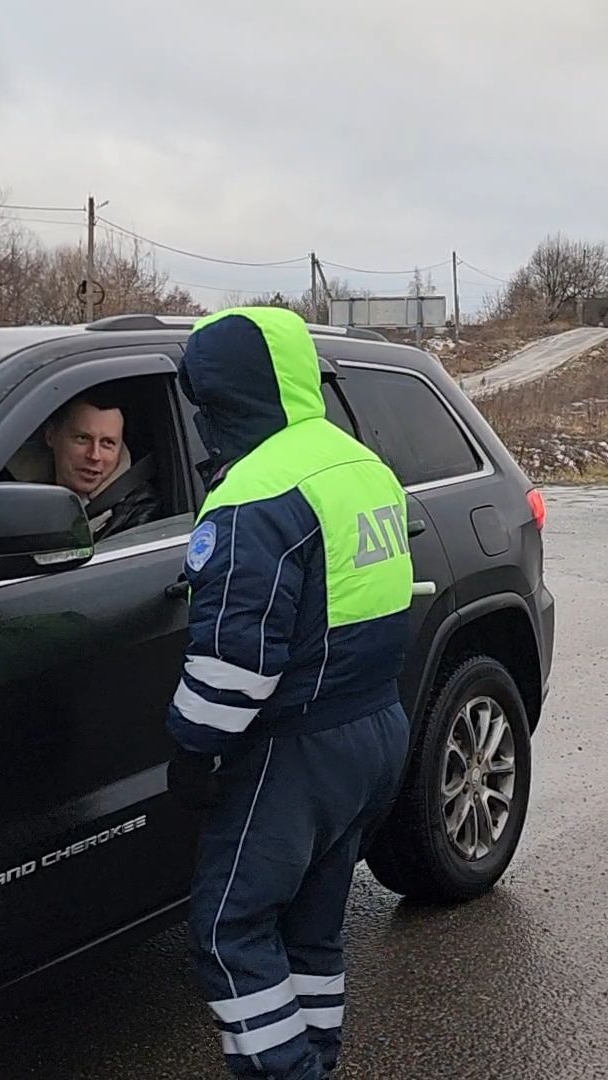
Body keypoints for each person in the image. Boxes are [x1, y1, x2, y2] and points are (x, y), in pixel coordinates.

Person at [165, 307, 414, 1080]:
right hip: (375, 730)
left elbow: (234, 671)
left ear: (223, 395)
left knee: (226, 934)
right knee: (310, 932)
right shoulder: (356, 462)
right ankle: (316, 1059)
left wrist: (189, 743)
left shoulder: (258, 491)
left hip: (293, 750)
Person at [7, 391, 160, 541]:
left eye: (107, 443)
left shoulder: (137, 510)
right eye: (82, 439)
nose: (94, 456)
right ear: (50, 436)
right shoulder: (8, 489)